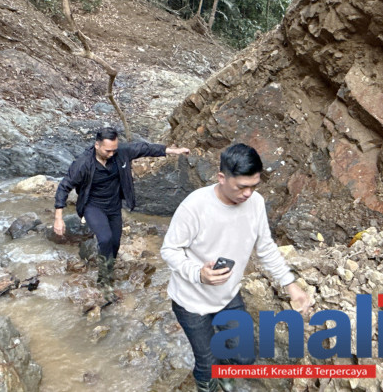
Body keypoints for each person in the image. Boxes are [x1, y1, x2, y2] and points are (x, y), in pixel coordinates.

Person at [161, 143, 313, 392]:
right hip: (191, 302)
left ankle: (225, 368)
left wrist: (291, 285)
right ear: (222, 178)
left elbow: (266, 248)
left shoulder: (255, 204)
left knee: (245, 358)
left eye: (254, 186)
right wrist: (198, 273)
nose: (248, 194)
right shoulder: (194, 206)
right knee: (206, 364)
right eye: (242, 187)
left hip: (229, 295)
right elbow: (169, 250)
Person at [54, 127, 190, 300]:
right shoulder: (83, 163)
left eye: (114, 150)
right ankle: (104, 282)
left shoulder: (121, 153)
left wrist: (174, 150)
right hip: (93, 206)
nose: (111, 154)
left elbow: (144, 148)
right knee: (105, 238)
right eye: (107, 150)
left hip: (114, 206)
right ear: (97, 145)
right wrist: (59, 218)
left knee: (115, 243)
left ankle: (108, 268)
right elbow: (64, 187)